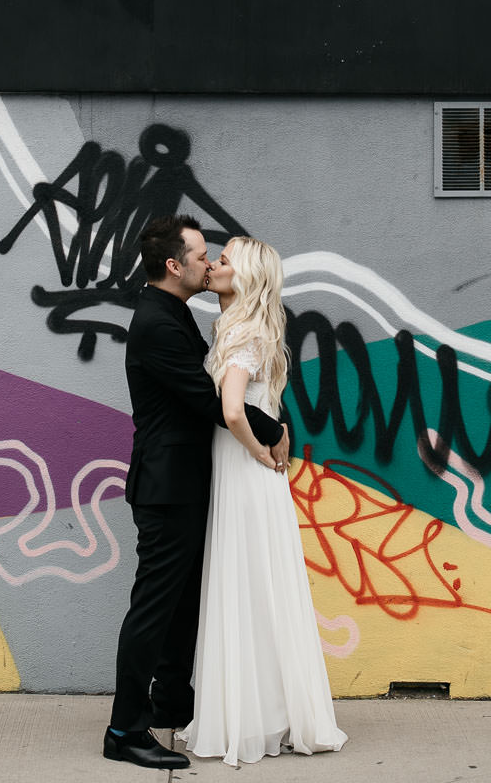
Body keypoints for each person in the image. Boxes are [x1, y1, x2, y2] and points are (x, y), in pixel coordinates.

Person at [104, 215, 292, 771]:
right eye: (201, 255)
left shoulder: (177, 313)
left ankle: (171, 706)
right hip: (167, 488)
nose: (208, 263)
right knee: (153, 609)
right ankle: (125, 729)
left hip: (187, 483)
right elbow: (209, 400)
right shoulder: (156, 323)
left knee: (183, 607)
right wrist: (276, 429)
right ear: (174, 264)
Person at [179, 236, 348, 766]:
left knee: (243, 584)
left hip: (245, 472)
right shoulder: (241, 329)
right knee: (259, 588)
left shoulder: (243, 333)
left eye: (223, 261)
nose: (213, 265)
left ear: (245, 277)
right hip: (253, 476)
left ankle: (246, 717)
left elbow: (232, 411)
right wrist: (269, 444)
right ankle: (266, 713)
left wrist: (256, 451)